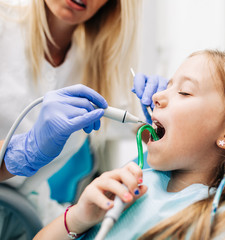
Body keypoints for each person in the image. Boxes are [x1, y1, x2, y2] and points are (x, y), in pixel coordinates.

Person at [34, 49, 225, 240]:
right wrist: (78, 217)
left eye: (185, 92)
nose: (156, 97)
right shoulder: (133, 187)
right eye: (167, 86)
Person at [0, 0, 167, 227]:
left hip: (24, 217)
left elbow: (151, 129)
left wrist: (165, 107)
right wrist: (19, 152)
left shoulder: (98, 66)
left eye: (187, 92)